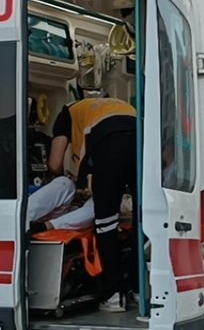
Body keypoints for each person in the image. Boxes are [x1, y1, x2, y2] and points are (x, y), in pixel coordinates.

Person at [43, 91, 138, 313]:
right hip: (139, 137)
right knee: (142, 219)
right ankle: (138, 289)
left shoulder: (68, 111)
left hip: (108, 146)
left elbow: (55, 163)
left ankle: (114, 295)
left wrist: (63, 179)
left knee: (105, 223)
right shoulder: (119, 104)